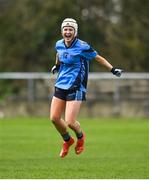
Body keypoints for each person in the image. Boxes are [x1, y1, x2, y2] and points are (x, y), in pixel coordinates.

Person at [50, 18, 123, 158]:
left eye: (70, 29)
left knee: (70, 122)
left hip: (76, 86)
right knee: (54, 118)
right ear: (62, 31)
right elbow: (59, 54)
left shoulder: (83, 46)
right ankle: (68, 140)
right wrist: (57, 65)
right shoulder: (59, 44)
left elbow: (98, 58)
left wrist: (112, 69)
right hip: (61, 84)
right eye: (65, 29)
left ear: (75, 32)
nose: (67, 32)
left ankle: (80, 137)